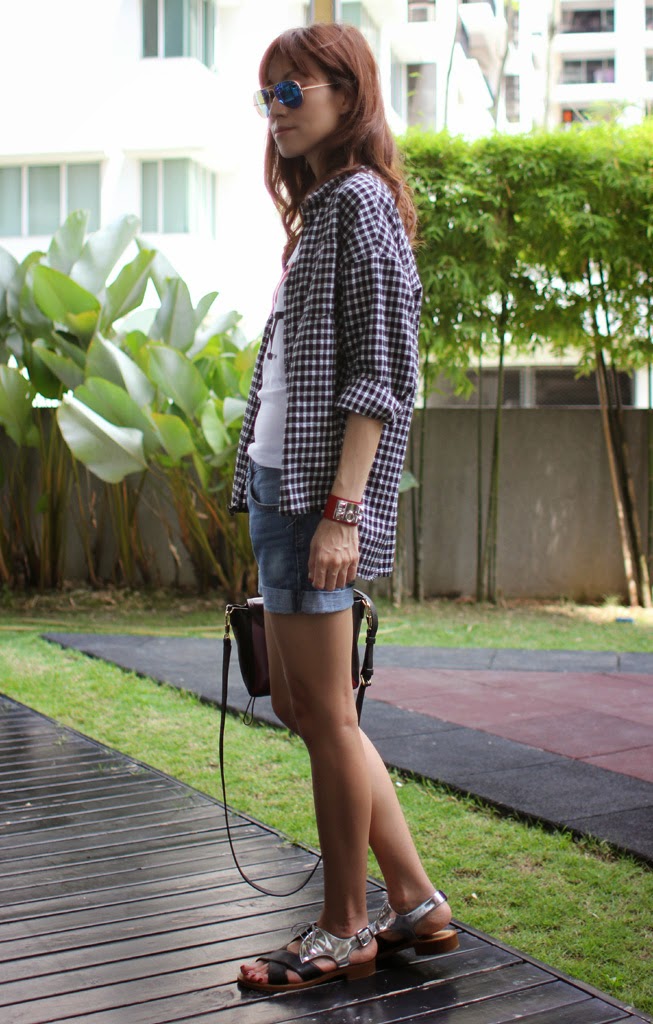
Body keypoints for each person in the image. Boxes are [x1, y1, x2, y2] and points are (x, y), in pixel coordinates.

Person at [229, 22, 457, 993]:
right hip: (279, 486)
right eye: (267, 95)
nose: (276, 110)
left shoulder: (358, 202)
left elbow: (384, 371)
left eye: (294, 91)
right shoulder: (323, 210)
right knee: (300, 703)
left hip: (315, 497)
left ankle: (342, 925)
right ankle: (414, 901)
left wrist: (342, 510)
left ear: (347, 94)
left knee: (324, 712)